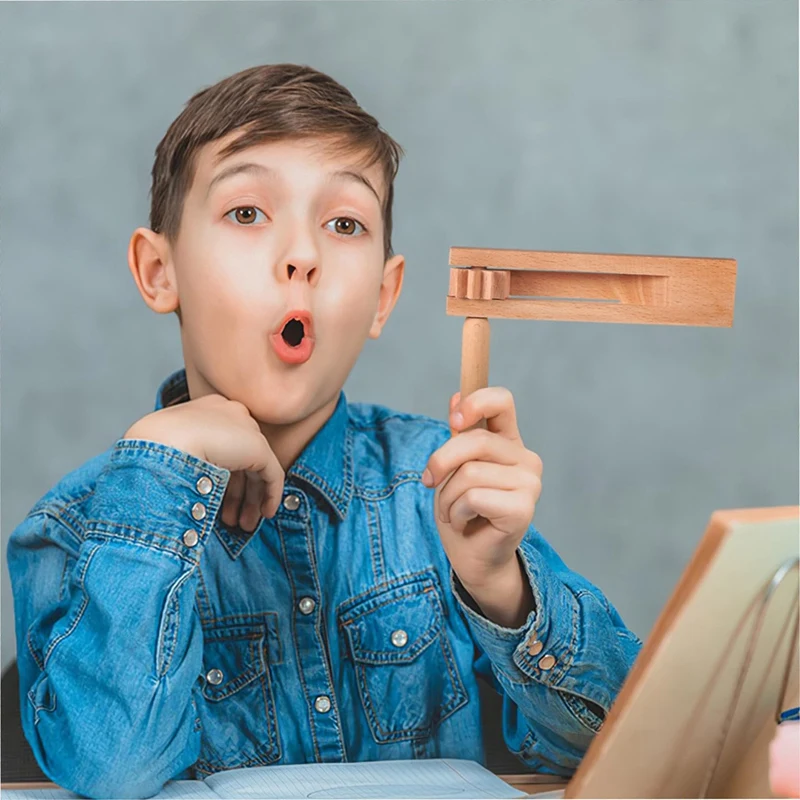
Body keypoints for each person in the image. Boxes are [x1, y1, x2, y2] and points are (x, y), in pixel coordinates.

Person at [7, 63, 641, 799]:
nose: (303, 256)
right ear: (159, 270)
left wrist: (501, 586)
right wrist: (166, 460)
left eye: (344, 224)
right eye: (247, 213)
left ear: (383, 294)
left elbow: (629, 747)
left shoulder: (443, 492)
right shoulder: (74, 527)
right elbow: (108, 766)